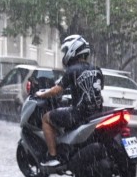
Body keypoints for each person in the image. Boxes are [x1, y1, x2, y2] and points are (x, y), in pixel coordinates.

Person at [35, 34, 104, 167]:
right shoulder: (97, 69)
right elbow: (96, 89)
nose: (65, 54)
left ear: (73, 50)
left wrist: (42, 94)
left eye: (66, 51)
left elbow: (56, 90)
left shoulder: (72, 70)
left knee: (46, 118)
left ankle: (53, 156)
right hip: (96, 113)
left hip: (78, 114)